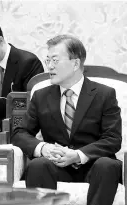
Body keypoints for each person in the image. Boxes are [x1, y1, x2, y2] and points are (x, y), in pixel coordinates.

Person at [11, 35, 122, 205]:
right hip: (56, 166)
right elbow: (20, 133)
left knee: (108, 165)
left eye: (55, 60)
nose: (49, 66)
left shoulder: (104, 94)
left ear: (75, 63)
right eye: (47, 60)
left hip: (93, 165)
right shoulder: (41, 96)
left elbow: (112, 139)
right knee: (38, 165)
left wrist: (78, 155)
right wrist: (43, 148)